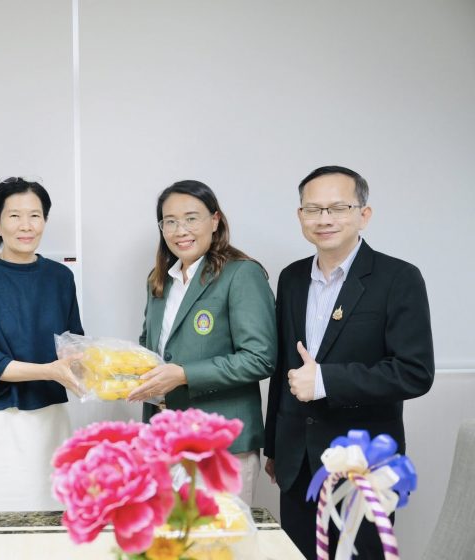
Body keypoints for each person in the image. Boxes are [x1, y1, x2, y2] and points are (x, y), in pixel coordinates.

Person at [264, 166, 434, 559]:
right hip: (297, 462)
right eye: (313, 209)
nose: (324, 219)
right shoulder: (291, 278)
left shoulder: (398, 278)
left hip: (363, 465)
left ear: (364, 214)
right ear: (300, 216)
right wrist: (274, 446)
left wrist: (326, 381)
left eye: (338, 208)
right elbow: (283, 368)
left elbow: (415, 372)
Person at [128, 180, 277, 505]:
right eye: (170, 221)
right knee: (169, 537)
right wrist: (121, 373)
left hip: (221, 445)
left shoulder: (241, 274)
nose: (180, 230)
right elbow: (150, 349)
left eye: (191, 218)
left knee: (221, 537)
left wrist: (184, 374)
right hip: (164, 440)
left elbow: (260, 358)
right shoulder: (159, 280)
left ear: (215, 220)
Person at [0, 177, 83, 512]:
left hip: (51, 418)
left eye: (35, 216)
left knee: (54, 520)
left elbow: (74, 345)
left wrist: (113, 371)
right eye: (14, 216)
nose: (26, 226)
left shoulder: (61, 278)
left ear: (45, 220)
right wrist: (50, 371)